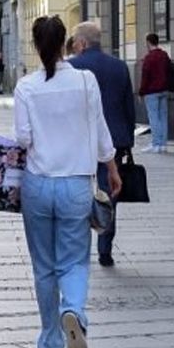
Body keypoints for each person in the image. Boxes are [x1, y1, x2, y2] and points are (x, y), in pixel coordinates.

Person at [14, 15, 121, 348]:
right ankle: (73, 310)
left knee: (43, 265)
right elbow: (100, 126)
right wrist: (111, 165)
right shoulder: (86, 81)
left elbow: (23, 139)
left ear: (35, 44)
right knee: (74, 259)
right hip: (77, 182)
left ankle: (49, 341)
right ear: (65, 44)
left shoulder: (26, 86)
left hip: (38, 183)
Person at [69, 20, 135, 267]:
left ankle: (77, 245)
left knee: (78, 192)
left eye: (75, 42)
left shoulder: (72, 67)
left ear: (83, 43)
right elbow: (129, 106)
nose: (74, 47)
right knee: (109, 193)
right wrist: (127, 140)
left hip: (80, 140)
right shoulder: (119, 66)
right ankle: (105, 248)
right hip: (114, 140)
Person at [137, 33, 171, 153]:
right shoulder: (164, 55)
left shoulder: (149, 58)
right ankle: (163, 144)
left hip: (152, 91)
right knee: (163, 117)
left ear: (148, 42)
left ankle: (155, 144)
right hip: (164, 90)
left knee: (154, 118)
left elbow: (145, 77)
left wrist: (141, 92)